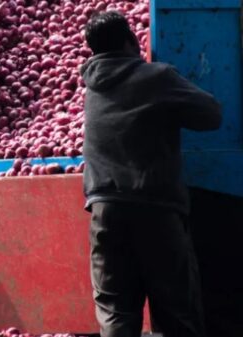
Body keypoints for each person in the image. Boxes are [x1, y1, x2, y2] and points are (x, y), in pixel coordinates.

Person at [81, 11, 222, 337]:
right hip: (154, 207)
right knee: (176, 312)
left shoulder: (92, 87)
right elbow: (211, 114)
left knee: (116, 314)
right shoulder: (155, 77)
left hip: (104, 210)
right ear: (132, 40)